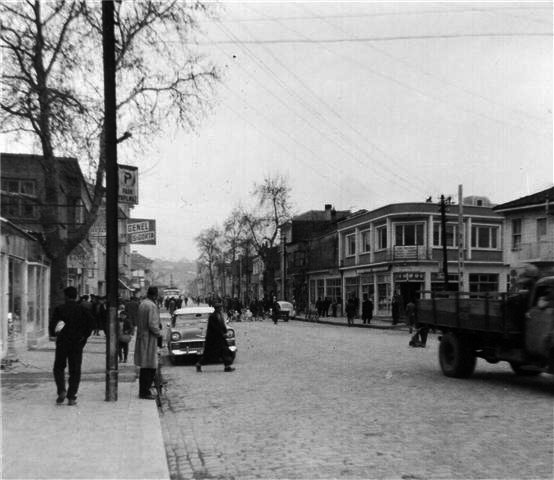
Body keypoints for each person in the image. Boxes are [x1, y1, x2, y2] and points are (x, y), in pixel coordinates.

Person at [49, 286, 94, 406]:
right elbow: (90, 325)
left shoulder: (60, 309)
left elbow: (53, 325)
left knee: (58, 368)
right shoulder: (82, 310)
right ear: (76, 296)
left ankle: (61, 390)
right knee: (75, 370)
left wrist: (55, 335)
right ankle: (71, 397)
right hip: (77, 344)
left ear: (66, 296)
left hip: (62, 342)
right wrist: (83, 338)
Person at [134, 286, 163, 400]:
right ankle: (144, 392)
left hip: (143, 337)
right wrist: (159, 333)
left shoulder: (143, 303)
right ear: (155, 295)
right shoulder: (151, 306)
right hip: (149, 339)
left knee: (145, 366)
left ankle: (143, 390)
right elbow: (152, 324)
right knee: (150, 366)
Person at [195, 303, 235, 372]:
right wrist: (223, 334)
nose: (221, 309)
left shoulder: (220, 315)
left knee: (225, 351)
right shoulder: (212, 316)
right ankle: (199, 364)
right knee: (209, 354)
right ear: (217, 309)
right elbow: (215, 328)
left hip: (220, 338)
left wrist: (225, 332)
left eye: (221, 307)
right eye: (220, 308)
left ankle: (227, 367)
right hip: (213, 339)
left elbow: (222, 325)